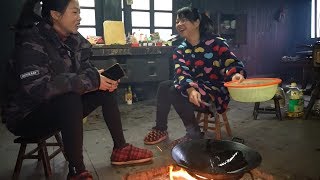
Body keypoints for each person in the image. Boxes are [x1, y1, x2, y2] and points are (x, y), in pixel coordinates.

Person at [1, 0, 153, 179]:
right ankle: (77, 171)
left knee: (104, 88)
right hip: (27, 116)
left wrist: (98, 77)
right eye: (74, 12)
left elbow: (84, 69)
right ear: (55, 15)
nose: (79, 18)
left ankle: (120, 149)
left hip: (57, 107)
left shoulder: (72, 39)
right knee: (70, 98)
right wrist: (90, 80)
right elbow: (38, 89)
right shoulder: (32, 42)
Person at [144, 7, 246, 145]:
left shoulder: (216, 42)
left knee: (174, 90)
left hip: (215, 91)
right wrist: (190, 89)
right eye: (177, 21)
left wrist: (235, 75)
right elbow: (181, 71)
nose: (179, 24)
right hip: (193, 88)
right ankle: (161, 128)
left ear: (197, 22)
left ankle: (194, 134)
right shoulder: (180, 49)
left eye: (184, 20)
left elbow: (231, 62)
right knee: (164, 86)